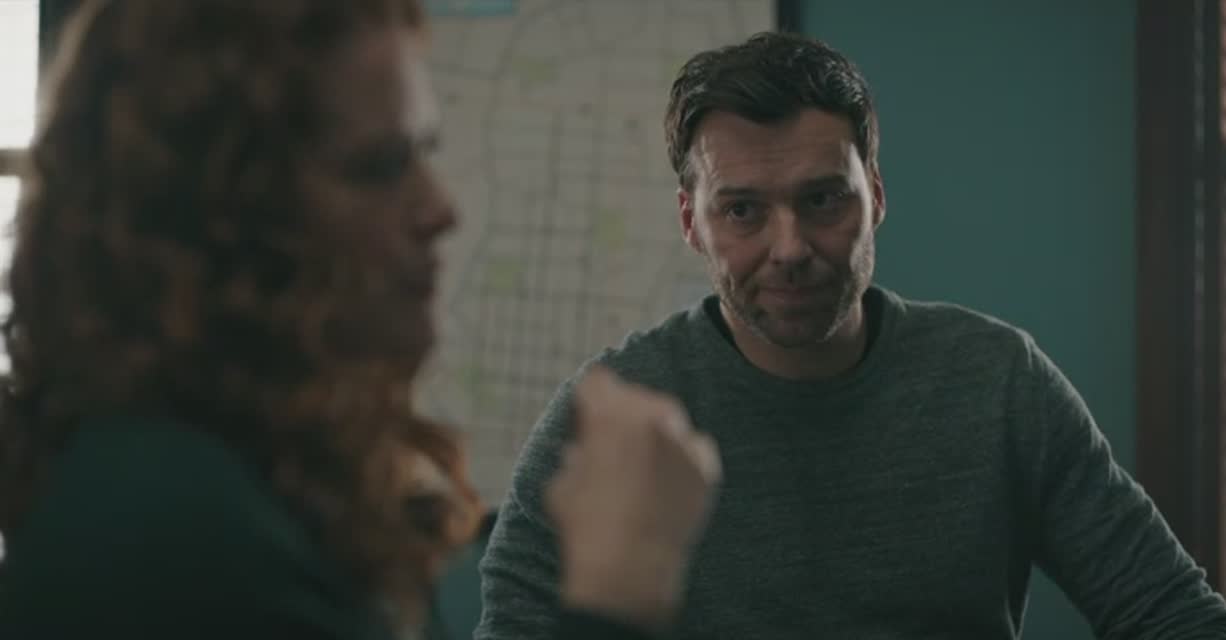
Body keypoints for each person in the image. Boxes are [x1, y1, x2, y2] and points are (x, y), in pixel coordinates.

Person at [476, 31, 1226, 639]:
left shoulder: (997, 383)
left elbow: (1177, 617)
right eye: (742, 210)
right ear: (691, 222)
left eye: (823, 200)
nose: (790, 248)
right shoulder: (607, 420)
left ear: (875, 195)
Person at [0, 1, 718, 639]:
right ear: (220, 219)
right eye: (379, 167)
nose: (440, 210)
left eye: (424, 154)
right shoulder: (165, 516)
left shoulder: (270, 464)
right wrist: (620, 593)